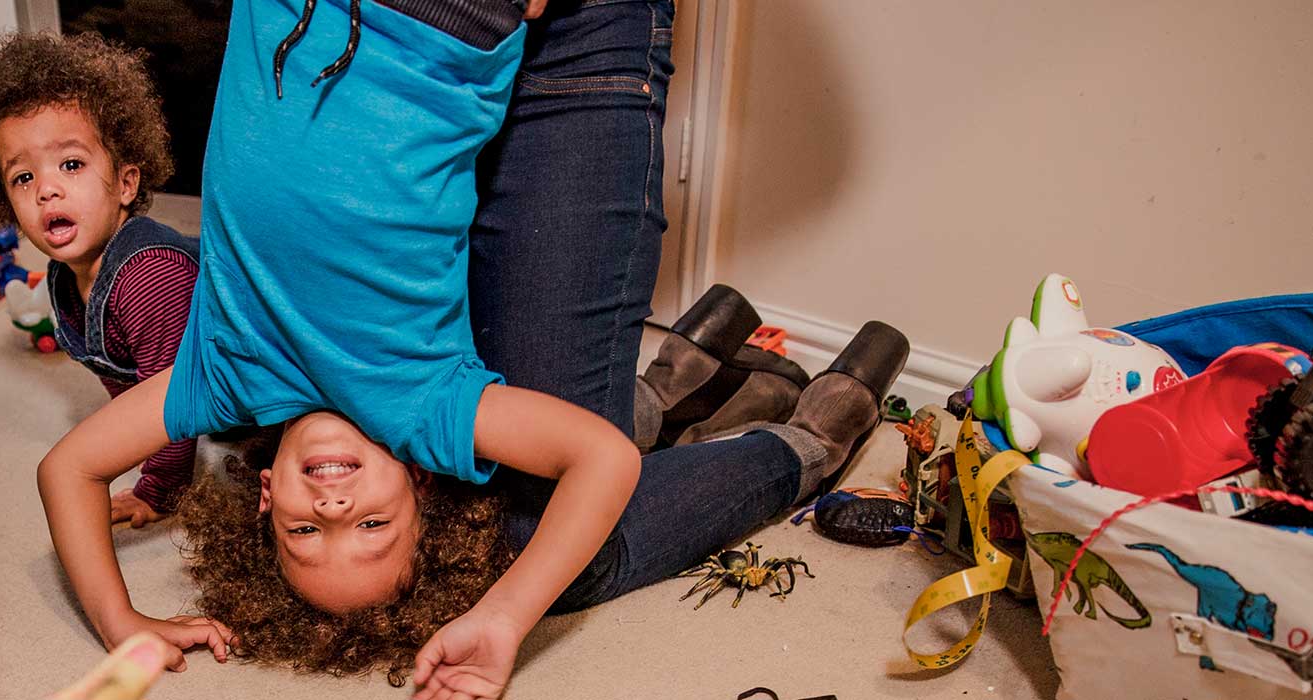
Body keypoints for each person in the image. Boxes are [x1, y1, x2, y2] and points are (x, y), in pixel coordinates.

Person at [176, 1, 910, 698]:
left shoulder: (240, 370)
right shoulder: (393, 406)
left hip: (548, 45)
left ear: (265, 495)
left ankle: (670, 391)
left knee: (546, 541)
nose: (334, 504)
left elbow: (70, 465)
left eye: (311, 527)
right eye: (362, 523)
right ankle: (805, 442)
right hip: (443, 72)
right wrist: (502, 614)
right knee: (530, 541)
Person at [0, 33, 198, 526]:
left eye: (71, 164)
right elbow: (126, 387)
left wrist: (159, 488)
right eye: (23, 177)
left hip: (264, 361)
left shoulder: (150, 277)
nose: (47, 189)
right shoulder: (66, 279)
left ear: (126, 183)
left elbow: (173, 401)